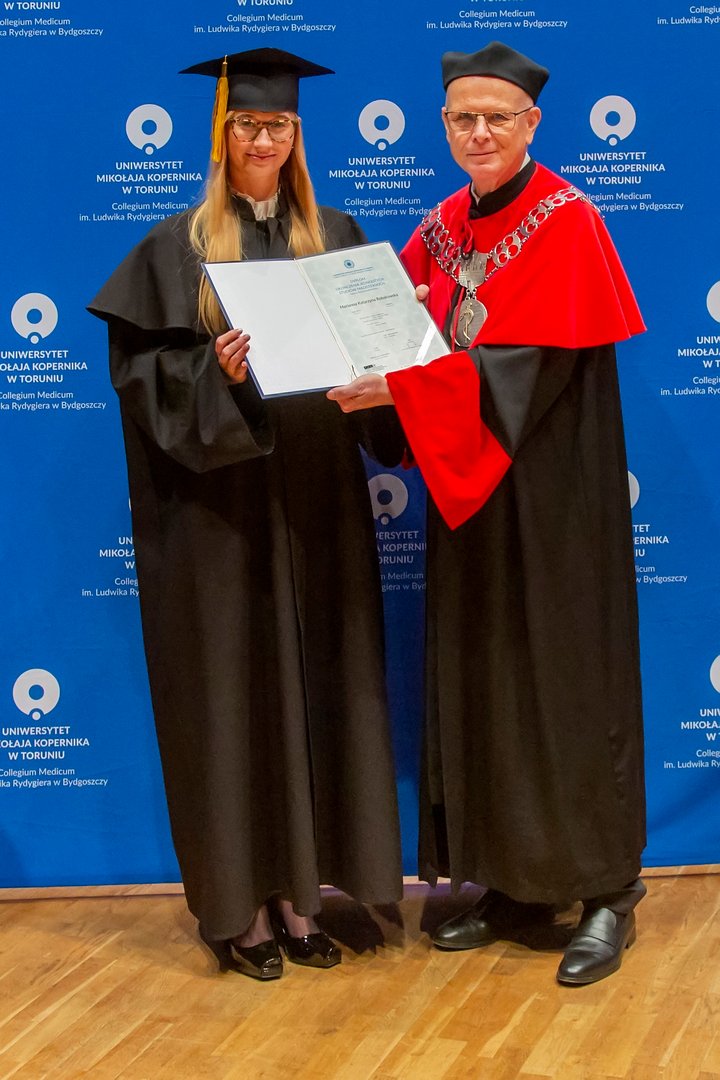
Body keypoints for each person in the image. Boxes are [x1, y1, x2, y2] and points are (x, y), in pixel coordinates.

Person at [328, 41, 647, 986]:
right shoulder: (439, 229)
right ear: (444, 125)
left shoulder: (568, 221)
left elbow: (528, 370)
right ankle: (514, 882)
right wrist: (362, 370)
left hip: (553, 504)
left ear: (530, 123)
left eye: (496, 118)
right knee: (490, 683)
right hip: (470, 503)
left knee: (566, 687)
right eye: (462, 118)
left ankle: (607, 891)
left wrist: (407, 388)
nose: (478, 133)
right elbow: (397, 335)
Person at [88, 47, 403, 981]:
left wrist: (393, 362)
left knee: (322, 690)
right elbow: (141, 380)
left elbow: (382, 374)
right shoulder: (176, 246)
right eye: (247, 125)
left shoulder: (336, 237)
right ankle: (242, 909)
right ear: (222, 133)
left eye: (279, 126)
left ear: (298, 135)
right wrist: (214, 374)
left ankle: (306, 898)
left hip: (319, 510)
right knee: (231, 700)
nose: (263, 140)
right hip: (219, 520)